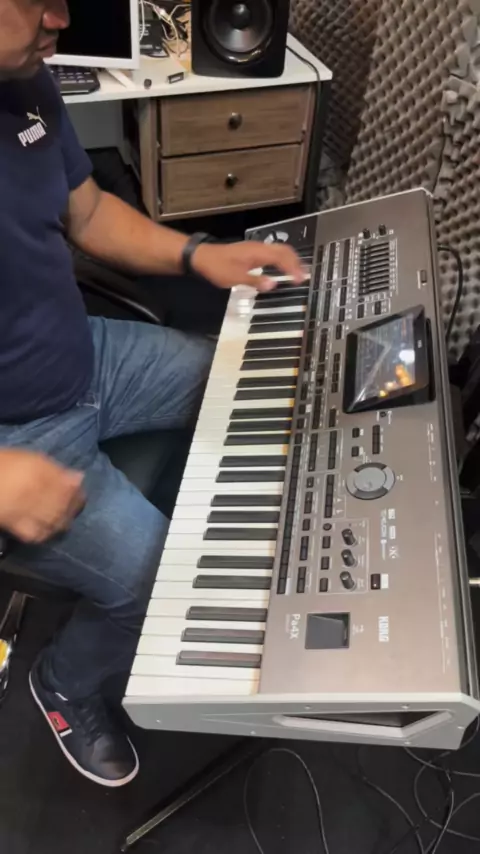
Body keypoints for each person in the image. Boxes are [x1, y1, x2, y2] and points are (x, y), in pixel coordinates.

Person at [0, 0, 305, 788]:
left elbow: (88, 210)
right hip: (15, 435)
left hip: (83, 356)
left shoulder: (24, 80)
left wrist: (200, 256)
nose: (60, 16)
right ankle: (64, 685)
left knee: (248, 376)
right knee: (162, 586)